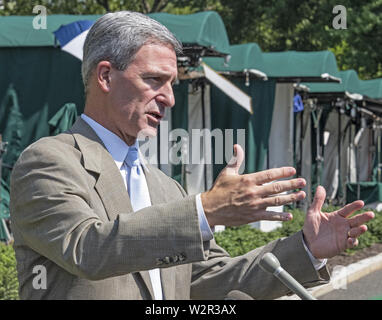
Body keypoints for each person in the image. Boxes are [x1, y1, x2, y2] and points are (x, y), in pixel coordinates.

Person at [10, 11, 374, 300]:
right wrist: (205, 210)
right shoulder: (48, 162)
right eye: (154, 80)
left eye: (172, 84)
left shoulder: (166, 187)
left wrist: (307, 249)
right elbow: (88, 248)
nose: (169, 98)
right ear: (105, 75)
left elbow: (210, 281)